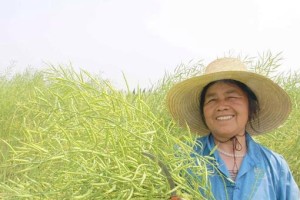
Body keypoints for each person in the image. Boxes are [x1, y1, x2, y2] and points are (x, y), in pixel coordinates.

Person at [166, 57, 300, 199]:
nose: (222, 106)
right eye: (212, 99)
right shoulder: (180, 159)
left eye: (232, 97)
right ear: (203, 111)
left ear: (250, 105)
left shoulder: (275, 166)